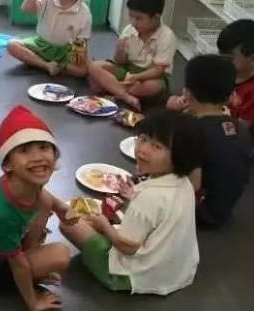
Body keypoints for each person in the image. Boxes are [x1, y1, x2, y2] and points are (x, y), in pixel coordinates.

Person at [60, 110, 204, 296]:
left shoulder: (149, 198)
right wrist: (133, 197)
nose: (143, 149)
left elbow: (127, 247)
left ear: (179, 156)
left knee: (69, 223)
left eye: (157, 146)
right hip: (175, 271)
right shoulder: (185, 184)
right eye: (143, 139)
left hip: (134, 276)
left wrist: (104, 225)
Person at [0, 105, 71, 311]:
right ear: (7, 164)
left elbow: (45, 198)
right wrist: (33, 302)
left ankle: (32, 256)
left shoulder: (24, 181)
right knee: (60, 254)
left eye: (43, 147)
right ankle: (32, 263)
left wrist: (62, 208)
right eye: (24, 150)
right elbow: (18, 266)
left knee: (45, 201)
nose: (37, 157)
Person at [167, 19, 254, 155]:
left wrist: (201, 115)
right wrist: (185, 102)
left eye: (230, 58)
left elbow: (239, 129)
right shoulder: (227, 72)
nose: (223, 61)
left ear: (252, 58)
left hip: (246, 142)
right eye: (221, 55)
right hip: (219, 121)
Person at [184, 54, 252, 228]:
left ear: (187, 93)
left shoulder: (193, 131)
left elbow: (193, 185)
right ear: (229, 96)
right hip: (224, 210)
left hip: (199, 214)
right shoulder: (239, 128)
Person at [87, 0, 177, 111]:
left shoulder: (167, 36)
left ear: (156, 18)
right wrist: (119, 51)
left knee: (149, 87)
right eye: (131, 16)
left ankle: (112, 88)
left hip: (151, 76)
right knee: (93, 66)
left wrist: (137, 77)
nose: (134, 22)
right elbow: (119, 62)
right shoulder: (130, 29)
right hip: (127, 71)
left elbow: (158, 70)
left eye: (139, 18)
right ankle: (125, 95)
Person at [7, 0, 92, 77]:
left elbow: (83, 42)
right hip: (41, 44)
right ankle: (46, 65)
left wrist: (80, 59)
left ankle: (43, 63)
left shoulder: (84, 11)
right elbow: (25, 8)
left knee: (82, 70)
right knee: (12, 45)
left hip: (65, 51)